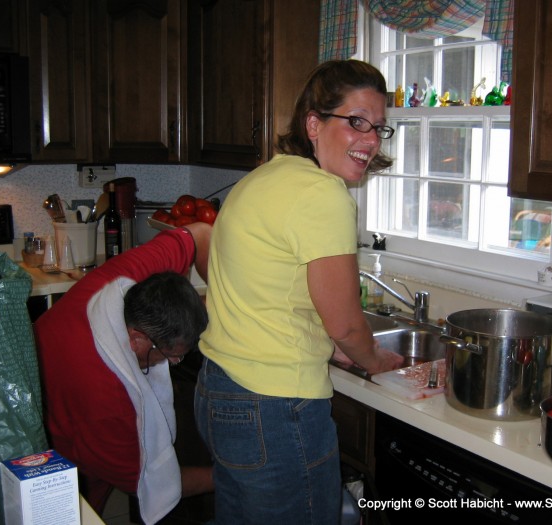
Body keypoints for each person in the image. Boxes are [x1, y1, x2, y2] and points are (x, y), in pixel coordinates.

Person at [194, 59, 404, 525]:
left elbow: (269, 295)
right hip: (274, 408)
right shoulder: (321, 195)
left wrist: (333, 348)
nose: (369, 139)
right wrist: (373, 359)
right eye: (356, 122)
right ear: (313, 123)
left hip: (221, 391)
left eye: (379, 128)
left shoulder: (263, 178)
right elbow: (347, 323)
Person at [34, 223, 214, 525]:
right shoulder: (105, 402)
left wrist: (226, 303)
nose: (173, 363)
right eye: (169, 355)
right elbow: (149, 486)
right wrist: (228, 477)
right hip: (56, 448)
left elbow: (199, 233)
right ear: (137, 339)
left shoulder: (123, 279)